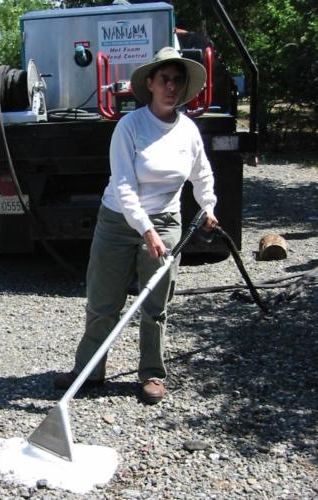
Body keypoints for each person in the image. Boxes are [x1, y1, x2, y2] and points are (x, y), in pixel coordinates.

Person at [54, 47, 218, 404]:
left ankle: (152, 375)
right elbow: (124, 185)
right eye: (164, 79)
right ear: (150, 83)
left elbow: (201, 173)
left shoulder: (188, 131)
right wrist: (145, 230)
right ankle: (88, 372)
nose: (171, 86)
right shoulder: (130, 126)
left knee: (154, 304)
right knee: (103, 301)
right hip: (118, 219)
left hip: (166, 220)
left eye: (177, 80)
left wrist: (208, 205)